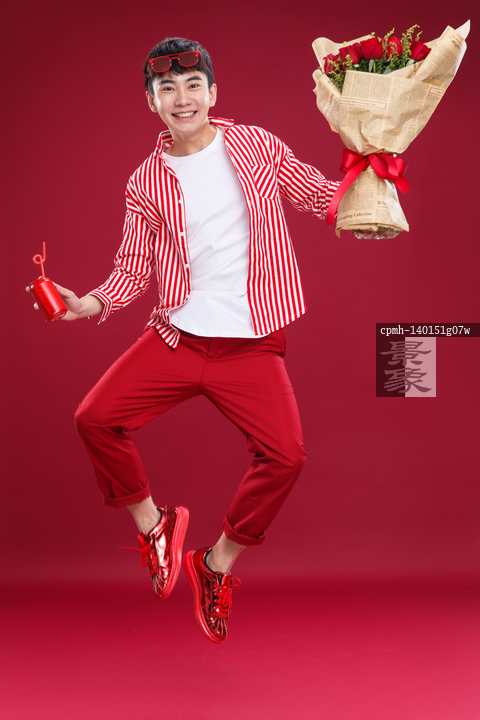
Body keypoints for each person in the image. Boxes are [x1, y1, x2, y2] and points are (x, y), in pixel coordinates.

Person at [26, 37, 339, 644]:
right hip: (178, 337)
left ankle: (215, 564)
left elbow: (317, 194)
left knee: (287, 457)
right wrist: (85, 304)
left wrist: (370, 185)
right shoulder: (146, 181)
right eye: (167, 89)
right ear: (152, 103)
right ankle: (155, 527)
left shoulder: (257, 146)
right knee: (94, 418)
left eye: (193, 85)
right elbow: (132, 268)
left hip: (252, 343)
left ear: (212, 93)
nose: (182, 98)